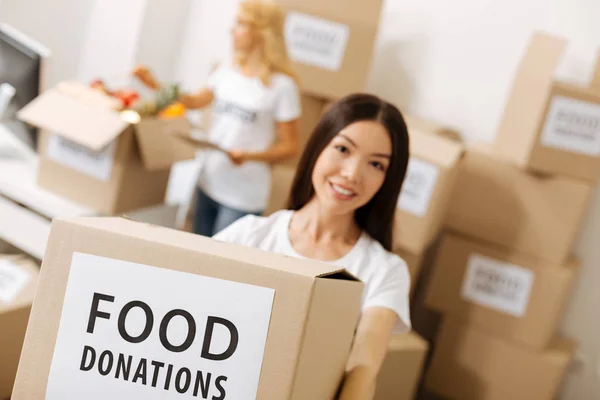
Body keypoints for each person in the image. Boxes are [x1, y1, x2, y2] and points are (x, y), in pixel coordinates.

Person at [214, 93, 411, 399]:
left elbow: (363, 366)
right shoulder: (248, 236)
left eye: (376, 164)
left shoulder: (384, 270)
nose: (352, 173)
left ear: (388, 179)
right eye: (343, 149)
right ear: (318, 147)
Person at [134, 0, 302, 237]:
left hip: (242, 196)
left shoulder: (283, 87)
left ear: (262, 32)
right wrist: (154, 83)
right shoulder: (226, 70)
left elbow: (290, 147)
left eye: (241, 24)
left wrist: (249, 156)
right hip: (209, 181)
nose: (232, 30)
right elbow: (193, 101)